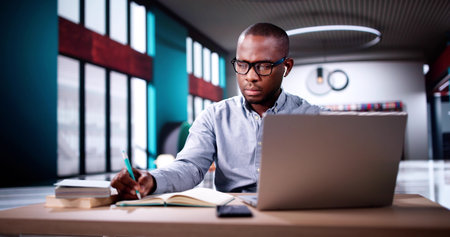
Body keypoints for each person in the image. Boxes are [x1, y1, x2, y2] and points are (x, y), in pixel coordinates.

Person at [111, 23, 324, 200]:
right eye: (243, 64)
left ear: (286, 67)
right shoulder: (214, 116)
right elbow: (190, 167)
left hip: (295, 214)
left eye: (263, 66)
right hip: (232, 216)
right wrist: (153, 179)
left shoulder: (316, 118)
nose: (250, 76)